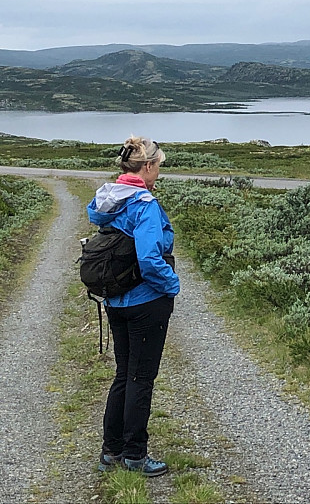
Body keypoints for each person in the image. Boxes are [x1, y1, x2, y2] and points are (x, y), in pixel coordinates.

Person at [88, 136, 179, 477]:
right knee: (142, 378)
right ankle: (136, 456)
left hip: (115, 298)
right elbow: (150, 258)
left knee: (124, 375)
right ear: (147, 167)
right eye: (158, 166)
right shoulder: (145, 204)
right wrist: (172, 286)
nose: (159, 172)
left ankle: (111, 452)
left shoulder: (108, 198)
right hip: (145, 302)